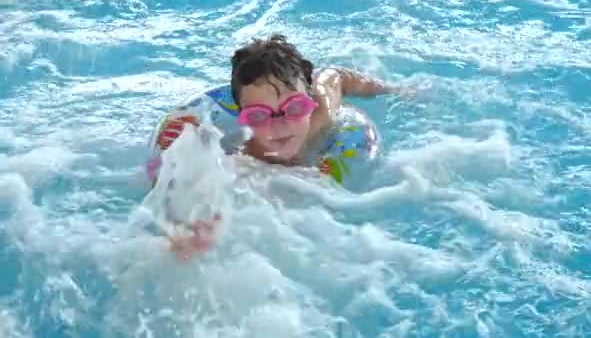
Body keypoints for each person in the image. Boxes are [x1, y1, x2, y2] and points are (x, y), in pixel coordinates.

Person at [156, 34, 413, 261]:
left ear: (309, 99)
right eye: (259, 115)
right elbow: (191, 186)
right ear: (241, 114)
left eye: (295, 108)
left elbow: (338, 77)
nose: (280, 125)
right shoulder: (241, 157)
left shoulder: (321, 113)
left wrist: (393, 90)